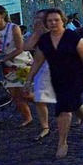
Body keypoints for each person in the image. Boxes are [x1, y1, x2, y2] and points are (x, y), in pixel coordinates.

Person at [25, 8, 83, 159]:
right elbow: (38, 61)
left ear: (63, 20)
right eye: (49, 21)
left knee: (63, 108)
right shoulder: (44, 40)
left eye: (56, 20)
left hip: (77, 77)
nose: (53, 23)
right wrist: (29, 79)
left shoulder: (73, 37)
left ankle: (62, 143)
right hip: (58, 78)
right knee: (74, 104)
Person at [23, 9, 57, 141]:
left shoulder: (58, 32)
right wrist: (37, 32)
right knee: (39, 98)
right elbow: (26, 47)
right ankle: (45, 127)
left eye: (40, 19)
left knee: (67, 99)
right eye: (36, 18)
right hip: (42, 69)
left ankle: (82, 117)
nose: (37, 21)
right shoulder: (37, 34)